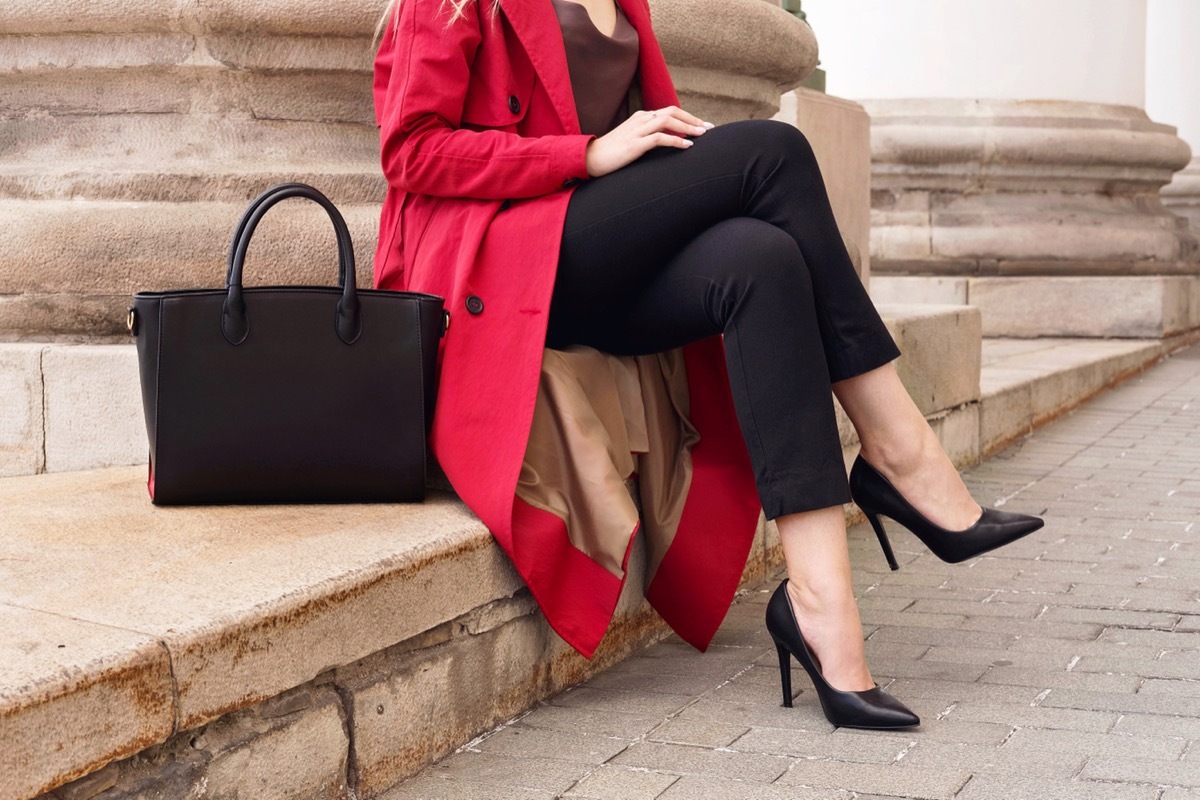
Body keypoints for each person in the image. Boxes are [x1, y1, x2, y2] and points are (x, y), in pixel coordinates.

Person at [373, 0, 1043, 730]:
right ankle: (899, 454)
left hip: (593, 254)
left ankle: (820, 603)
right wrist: (584, 155)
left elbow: (650, 136)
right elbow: (410, 149)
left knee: (764, 260)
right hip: (503, 261)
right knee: (774, 151)